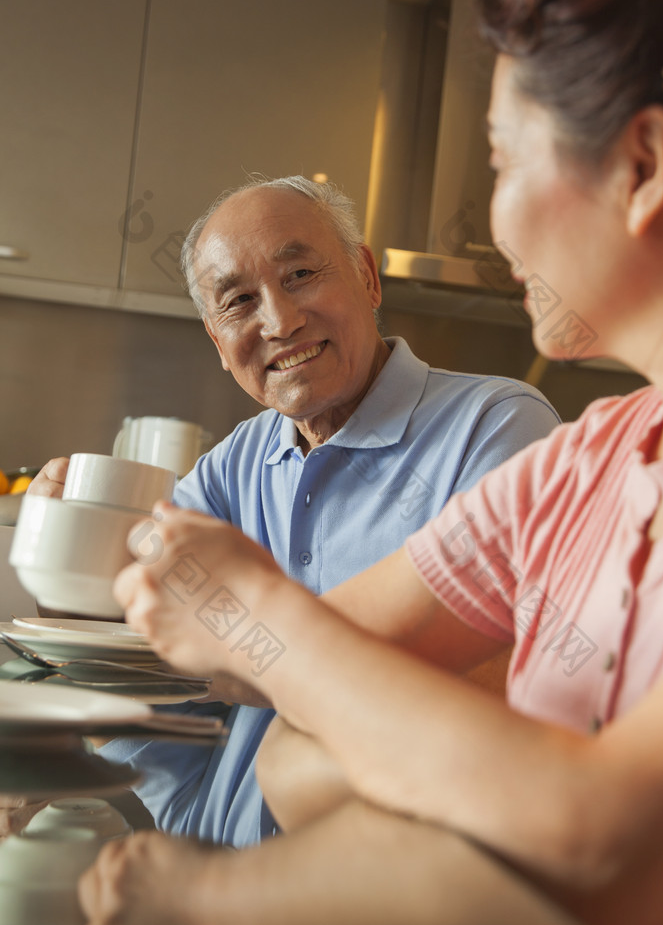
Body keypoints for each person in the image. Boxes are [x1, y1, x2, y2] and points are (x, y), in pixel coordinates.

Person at [76, 0, 663, 925]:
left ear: (638, 169)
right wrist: (474, 781)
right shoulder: (584, 462)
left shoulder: (507, 431)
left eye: (501, 160)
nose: (491, 216)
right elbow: (290, 731)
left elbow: (605, 845)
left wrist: (215, 903)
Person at [24, 175, 559, 849]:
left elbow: (508, 685)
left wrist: (241, 657)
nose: (279, 321)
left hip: (403, 904)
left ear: (367, 277)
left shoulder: (496, 425)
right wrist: (67, 547)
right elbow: (139, 641)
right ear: (219, 344)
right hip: (225, 890)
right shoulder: (235, 462)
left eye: (301, 274)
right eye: (240, 301)